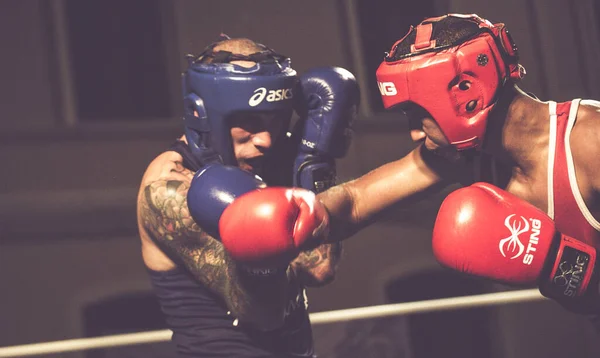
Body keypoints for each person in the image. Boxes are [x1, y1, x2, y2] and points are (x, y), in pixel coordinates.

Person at [316, 13, 600, 317]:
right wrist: (298, 216)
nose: (414, 133)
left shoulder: (589, 142)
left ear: (466, 95)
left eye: (418, 113)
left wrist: (568, 266)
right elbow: (356, 202)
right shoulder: (464, 157)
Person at [136, 36, 360, 358]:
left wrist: (314, 162)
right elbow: (264, 310)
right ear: (203, 114)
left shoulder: (267, 164)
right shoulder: (169, 187)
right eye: (249, 123)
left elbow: (320, 267)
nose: (266, 140)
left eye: (276, 120)